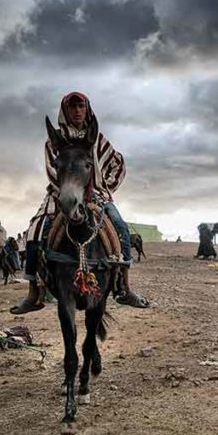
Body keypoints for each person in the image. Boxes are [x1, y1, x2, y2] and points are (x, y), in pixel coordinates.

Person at [10, 91, 149, 314]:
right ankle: (33, 292)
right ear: (65, 111)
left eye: (81, 106)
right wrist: (67, 191)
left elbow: (118, 164)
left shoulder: (98, 139)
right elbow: (51, 170)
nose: (77, 111)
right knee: (35, 231)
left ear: (87, 109)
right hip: (61, 194)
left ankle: (124, 287)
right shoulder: (55, 140)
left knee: (121, 227)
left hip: (95, 195)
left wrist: (105, 188)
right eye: (72, 107)